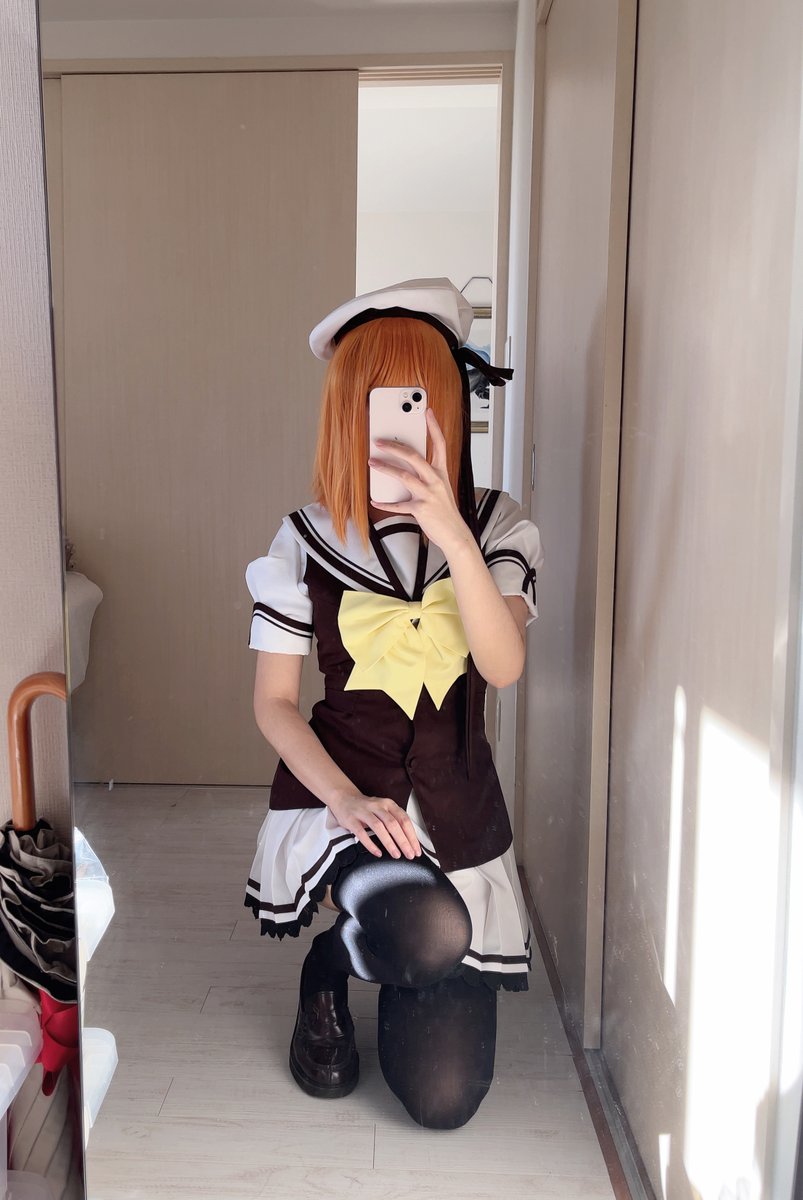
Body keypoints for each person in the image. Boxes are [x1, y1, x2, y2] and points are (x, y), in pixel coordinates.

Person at [244, 278, 544, 1130]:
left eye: (411, 403)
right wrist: (344, 799)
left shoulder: (498, 526)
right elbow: (274, 703)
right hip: (344, 805)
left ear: (442, 407)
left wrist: (452, 533)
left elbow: (503, 665)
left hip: (457, 815)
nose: (390, 428)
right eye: (372, 404)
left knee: (442, 1101)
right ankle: (328, 972)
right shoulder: (304, 539)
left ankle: (380, 952)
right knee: (426, 931)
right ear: (344, 411)